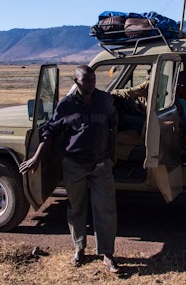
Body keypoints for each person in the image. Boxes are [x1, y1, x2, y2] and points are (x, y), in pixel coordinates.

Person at [19, 65, 121, 274]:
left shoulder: (104, 100)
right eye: (86, 80)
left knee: (106, 209)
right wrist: (37, 157)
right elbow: (50, 132)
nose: (91, 83)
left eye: (93, 79)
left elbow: (113, 123)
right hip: (74, 164)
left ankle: (107, 254)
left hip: (101, 164)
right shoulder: (66, 105)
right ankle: (79, 248)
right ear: (76, 82)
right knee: (76, 208)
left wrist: (113, 150)